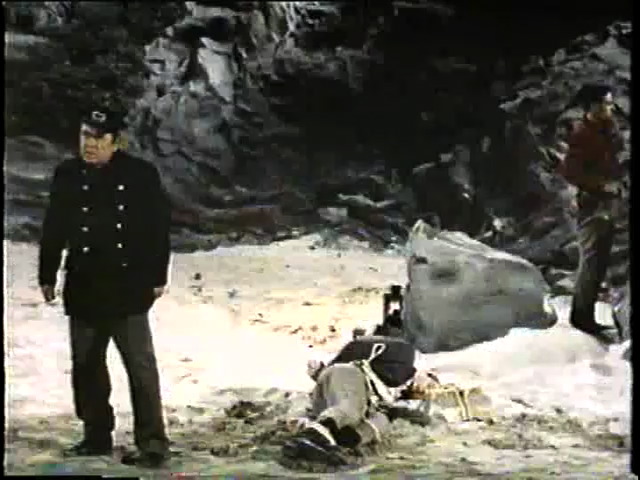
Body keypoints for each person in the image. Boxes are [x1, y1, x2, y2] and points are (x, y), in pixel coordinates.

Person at [38, 106, 172, 468]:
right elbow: (54, 226)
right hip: (84, 283)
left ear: (115, 142)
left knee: (140, 367)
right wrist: (47, 274)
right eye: (85, 135)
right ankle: (96, 436)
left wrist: (158, 277)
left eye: (99, 138)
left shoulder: (140, 174)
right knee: (86, 367)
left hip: (127, 285)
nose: (90, 144)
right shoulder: (67, 175)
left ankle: (153, 442)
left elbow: (158, 228)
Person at [282, 306, 418, 467]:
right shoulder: (396, 348)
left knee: (375, 422)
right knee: (350, 408)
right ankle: (311, 436)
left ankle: (335, 442)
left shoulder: (383, 353)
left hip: (335, 398)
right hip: (348, 376)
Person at [557, 84, 625, 340]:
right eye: (606, 103)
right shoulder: (582, 133)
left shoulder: (608, 129)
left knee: (601, 261)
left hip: (609, 202)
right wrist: (601, 184)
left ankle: (587, 316)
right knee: (591, 262)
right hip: (591, 204)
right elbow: (570, 172)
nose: (611, 107)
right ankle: (581, 318)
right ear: (593, 106)